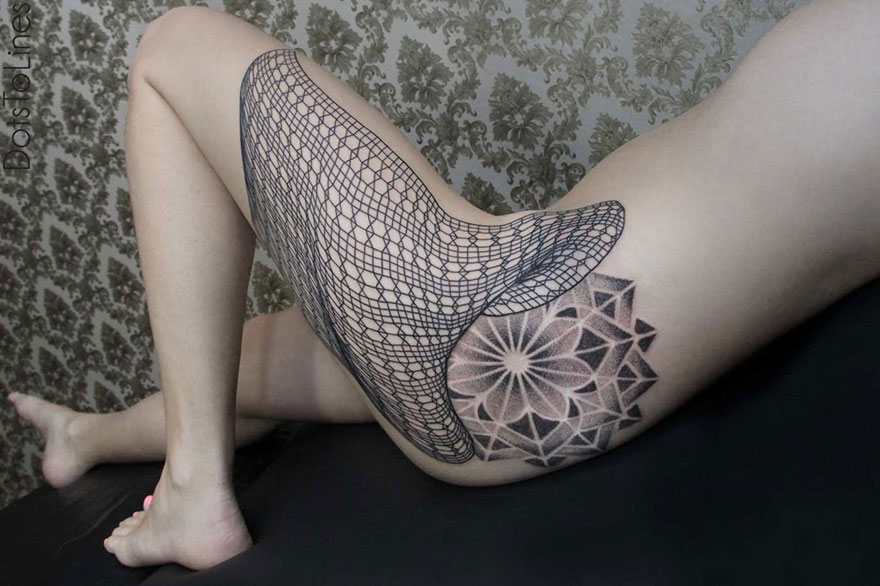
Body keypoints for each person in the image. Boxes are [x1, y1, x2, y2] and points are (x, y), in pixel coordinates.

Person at [7, 0, 880, 572]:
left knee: (171, 46)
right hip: (527, 306)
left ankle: (194, 492)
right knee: (253, 349)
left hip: (510, 331)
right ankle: (84, 435)